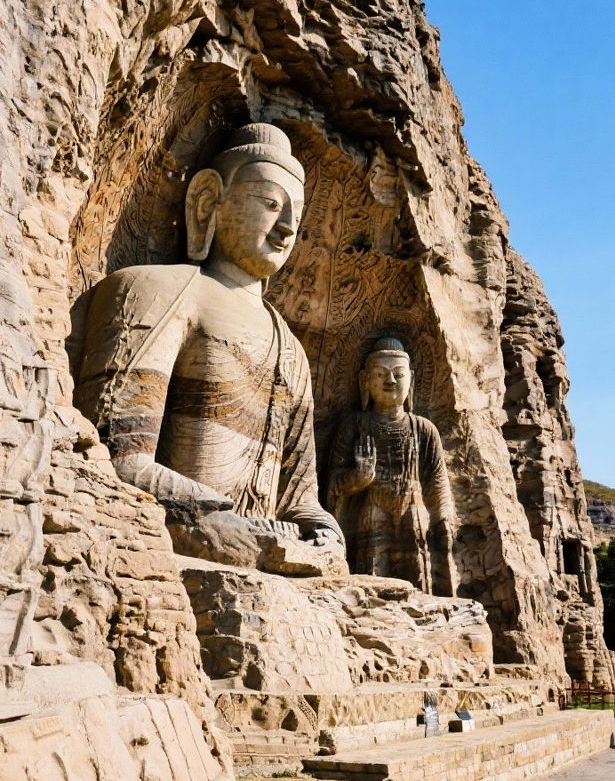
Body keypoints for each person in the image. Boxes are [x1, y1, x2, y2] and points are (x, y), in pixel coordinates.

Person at [76, 123, 344, 557]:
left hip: (268, 548)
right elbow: (113, 455)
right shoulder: (157, 290)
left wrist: (325, 534)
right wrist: (218, 520)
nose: (286, 228)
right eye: (271, 204)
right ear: (207, 201)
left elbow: (298, 499)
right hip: (169, 547)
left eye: (296, 215)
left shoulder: (291, 348)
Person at [326, 336, 456, 594]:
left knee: (419, 579)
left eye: (399, 374)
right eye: (380, 374)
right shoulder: (355, 425)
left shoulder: (424, 429)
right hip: (371, 513)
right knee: (371, 584)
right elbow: (331, 482)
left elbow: (437, 482)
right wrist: (357, 478)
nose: (391, 381)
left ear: (412, 380)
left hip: (413, 514)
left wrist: (443, 519)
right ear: (365, 381)